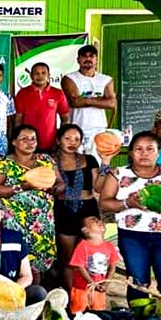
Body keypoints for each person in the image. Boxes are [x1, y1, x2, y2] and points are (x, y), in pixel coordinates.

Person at [99, 131, 161, 301]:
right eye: (138, 149)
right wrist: (128, 203)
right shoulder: (117, 174)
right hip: (132, 237)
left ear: (159, 151)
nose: (144, 153)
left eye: (150, 149)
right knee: (137, 283)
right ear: (131, 153)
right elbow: (104, 204)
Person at [0, 124, 64, 282]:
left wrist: (54, 189)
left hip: (42, 223)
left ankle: (34, 300)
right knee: (16, 261)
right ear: (14, 142)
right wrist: (23, 186)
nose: (30, 142)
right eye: (24, 139)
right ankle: (17, 300)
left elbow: (60, 183)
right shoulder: (4, 163)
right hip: (15, 222)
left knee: (38, 262)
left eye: (33, 139)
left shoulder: (46, 160)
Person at [53, 124, 108, 291]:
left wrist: (105, 162)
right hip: (64, 210)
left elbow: (99, 187)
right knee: (68, 259)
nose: (72, 142)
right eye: (67, 138)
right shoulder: (50, 161)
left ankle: (92, 295)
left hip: (88, 210)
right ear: (58, 140)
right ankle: (72, 298)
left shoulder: (89, 159)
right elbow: (52, 188)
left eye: (77, 139)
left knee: (92, 255)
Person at [62, 45, 116, 156]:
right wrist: (100, 100)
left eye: (92, 56)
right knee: (76, 163)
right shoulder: (69, 78)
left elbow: (112, 103)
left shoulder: (106, 79)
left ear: (96, 60)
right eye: (84, 56)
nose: (88, 59)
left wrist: (86, 100)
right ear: (78, 60)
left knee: (97, 164)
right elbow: (75, 102)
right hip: (76, 127)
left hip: (98, 129)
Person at [14, 62, 70, 153]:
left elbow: (65, 118)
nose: (40, 76)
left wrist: (60, 138)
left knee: (48, 167)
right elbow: (18, 120)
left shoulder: (58, 93)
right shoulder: (22, 93)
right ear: (31, 76)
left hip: (50, 144)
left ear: (49, 75)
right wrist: (17, 140)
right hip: (27, 144)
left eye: (43, 73)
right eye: (37, 73)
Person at [69, 216, 120, 314]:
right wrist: (91, 283)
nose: (99, 221)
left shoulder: (109, 246)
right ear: (85, 230)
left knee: (99, 313)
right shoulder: (83, 246)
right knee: (77, 313)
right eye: (94, 221)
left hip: (99, 289)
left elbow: (112, 267)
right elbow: (79, 267)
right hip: (81, 289)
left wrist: (106, 284)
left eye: (99, 220)